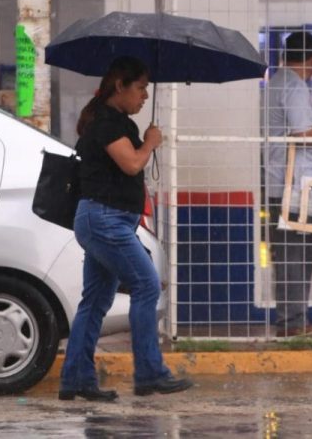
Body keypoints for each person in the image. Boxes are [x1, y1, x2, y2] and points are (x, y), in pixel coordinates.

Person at [59, 56, 193, 401]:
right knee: (147, 285)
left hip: (104, 220)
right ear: (120, 86)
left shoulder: (113, 120)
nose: (145, 96)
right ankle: (149, 373)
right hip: (105, 220)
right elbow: (132, 164)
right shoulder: (107, 122)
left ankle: (76, 379)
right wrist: (149, 143)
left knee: (96, 300)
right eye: (140, 88)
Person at [265, 31, 312, 338]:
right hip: (296, 186)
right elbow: (301, 133)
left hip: (283, 182)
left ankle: (292, 319)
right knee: (297, 256)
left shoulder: (276, 84)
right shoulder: (293, 86)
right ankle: (293, 322)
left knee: (291, 256)